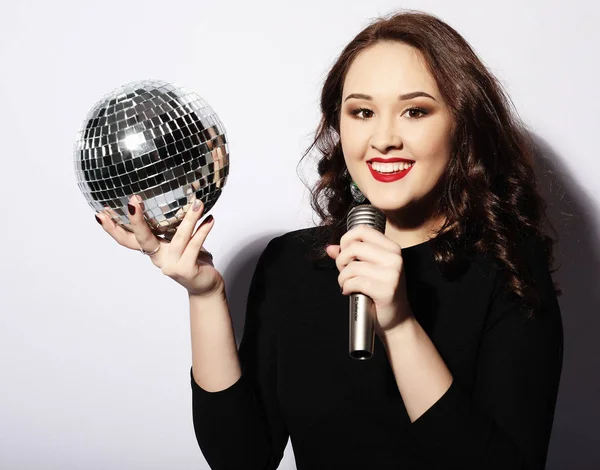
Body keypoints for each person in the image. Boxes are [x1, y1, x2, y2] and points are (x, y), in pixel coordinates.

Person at [95, 9, 564, 470]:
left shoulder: (509, 270)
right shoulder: (292, 264)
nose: (383, 138)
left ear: (463, 125)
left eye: (415, 111)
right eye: (362, 111)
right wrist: (204, 294)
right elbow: (241, 457)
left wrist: (399, 325)